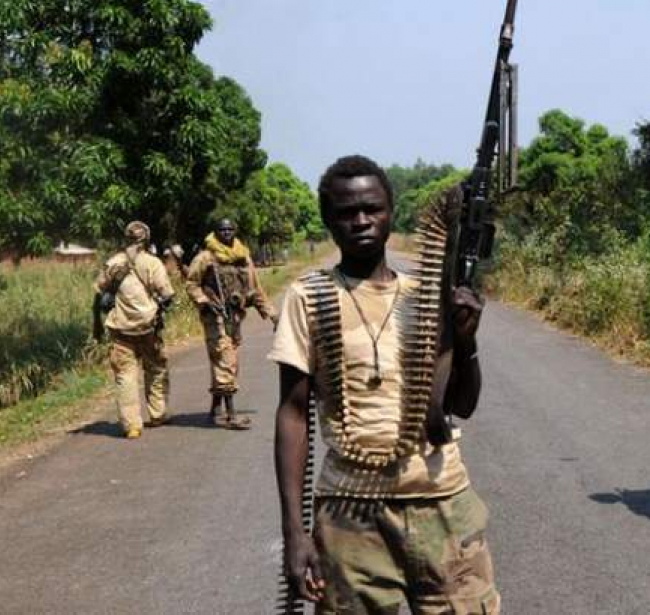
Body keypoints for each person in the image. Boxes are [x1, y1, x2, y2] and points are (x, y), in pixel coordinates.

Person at [272, 155, 500, 613]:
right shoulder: (308, 297)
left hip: (442, 499)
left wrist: (467, 342)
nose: (360, 221)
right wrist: (294, 533)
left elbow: (463, 404)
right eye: (345, 212)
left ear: (390, 212)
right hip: (350, 512)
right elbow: (294, 413)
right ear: (327, 221)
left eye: (372, 209)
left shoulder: (429, 295)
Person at [186, 219, 277, 429]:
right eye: (221, 230)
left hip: (235, 317)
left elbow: (256, 290)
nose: (226, 233)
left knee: (229, 360)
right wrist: (205, 302)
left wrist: (273, 315)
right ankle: (231, 415)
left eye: (229, 229)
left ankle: (215, 411)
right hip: (215, 317)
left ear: (235, 231)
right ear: (215, 232)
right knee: (225, 360)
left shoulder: (243, 256)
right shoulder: (206, 258)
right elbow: (191, 284)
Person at [92, 221, 175, 439]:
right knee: (157, 369)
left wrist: (97, 325)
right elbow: (166, 294)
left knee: (125, 377)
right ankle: (158, 414)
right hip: (149, 329)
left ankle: (131, 426)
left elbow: (98, 293)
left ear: (126, 238)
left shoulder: (113, 263)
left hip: (120, 331)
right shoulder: (152, 263)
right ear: (146, 239)